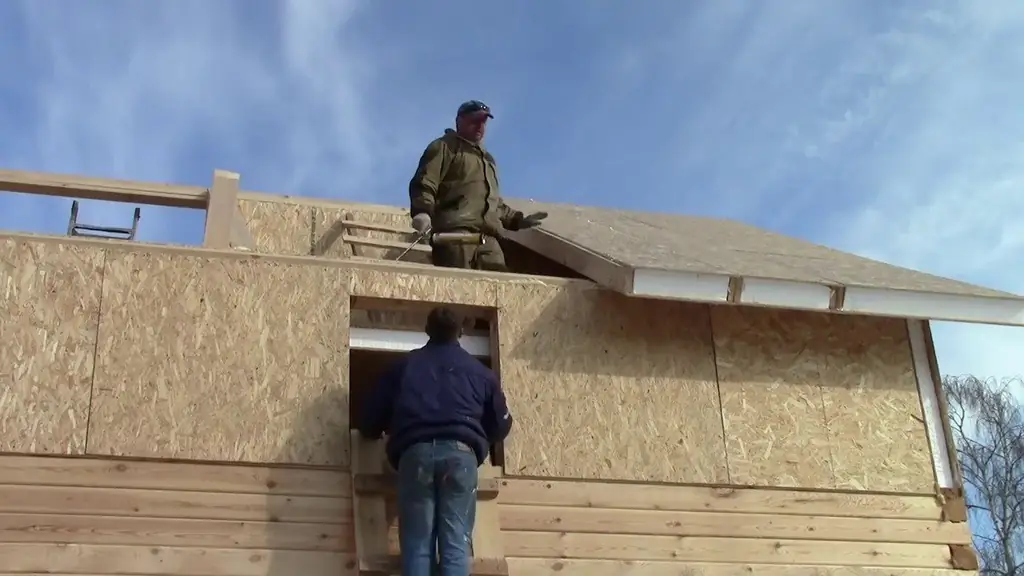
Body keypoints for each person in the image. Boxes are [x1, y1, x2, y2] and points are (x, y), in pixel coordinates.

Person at [358, 306, 514, 576]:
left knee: (418, 544)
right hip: (460, 458)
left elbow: (370, 420)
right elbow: (500, 425)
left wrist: (374, 432)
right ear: (461, 332)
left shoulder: (404, 367)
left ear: (427, 330)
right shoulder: (481, 374)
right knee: (455, 545)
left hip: (415, 456)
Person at [408, 100, 548, 272]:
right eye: (475, 121)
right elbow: (426, 182)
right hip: (455, 234)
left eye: (483, 122)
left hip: (489, 238)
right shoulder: (445, 147)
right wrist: (422, 212)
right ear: (459, 120)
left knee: (498, 287)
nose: (480, 126)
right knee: (460, 288)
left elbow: (494, 202)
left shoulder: (488, 160)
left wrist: (517, 220)